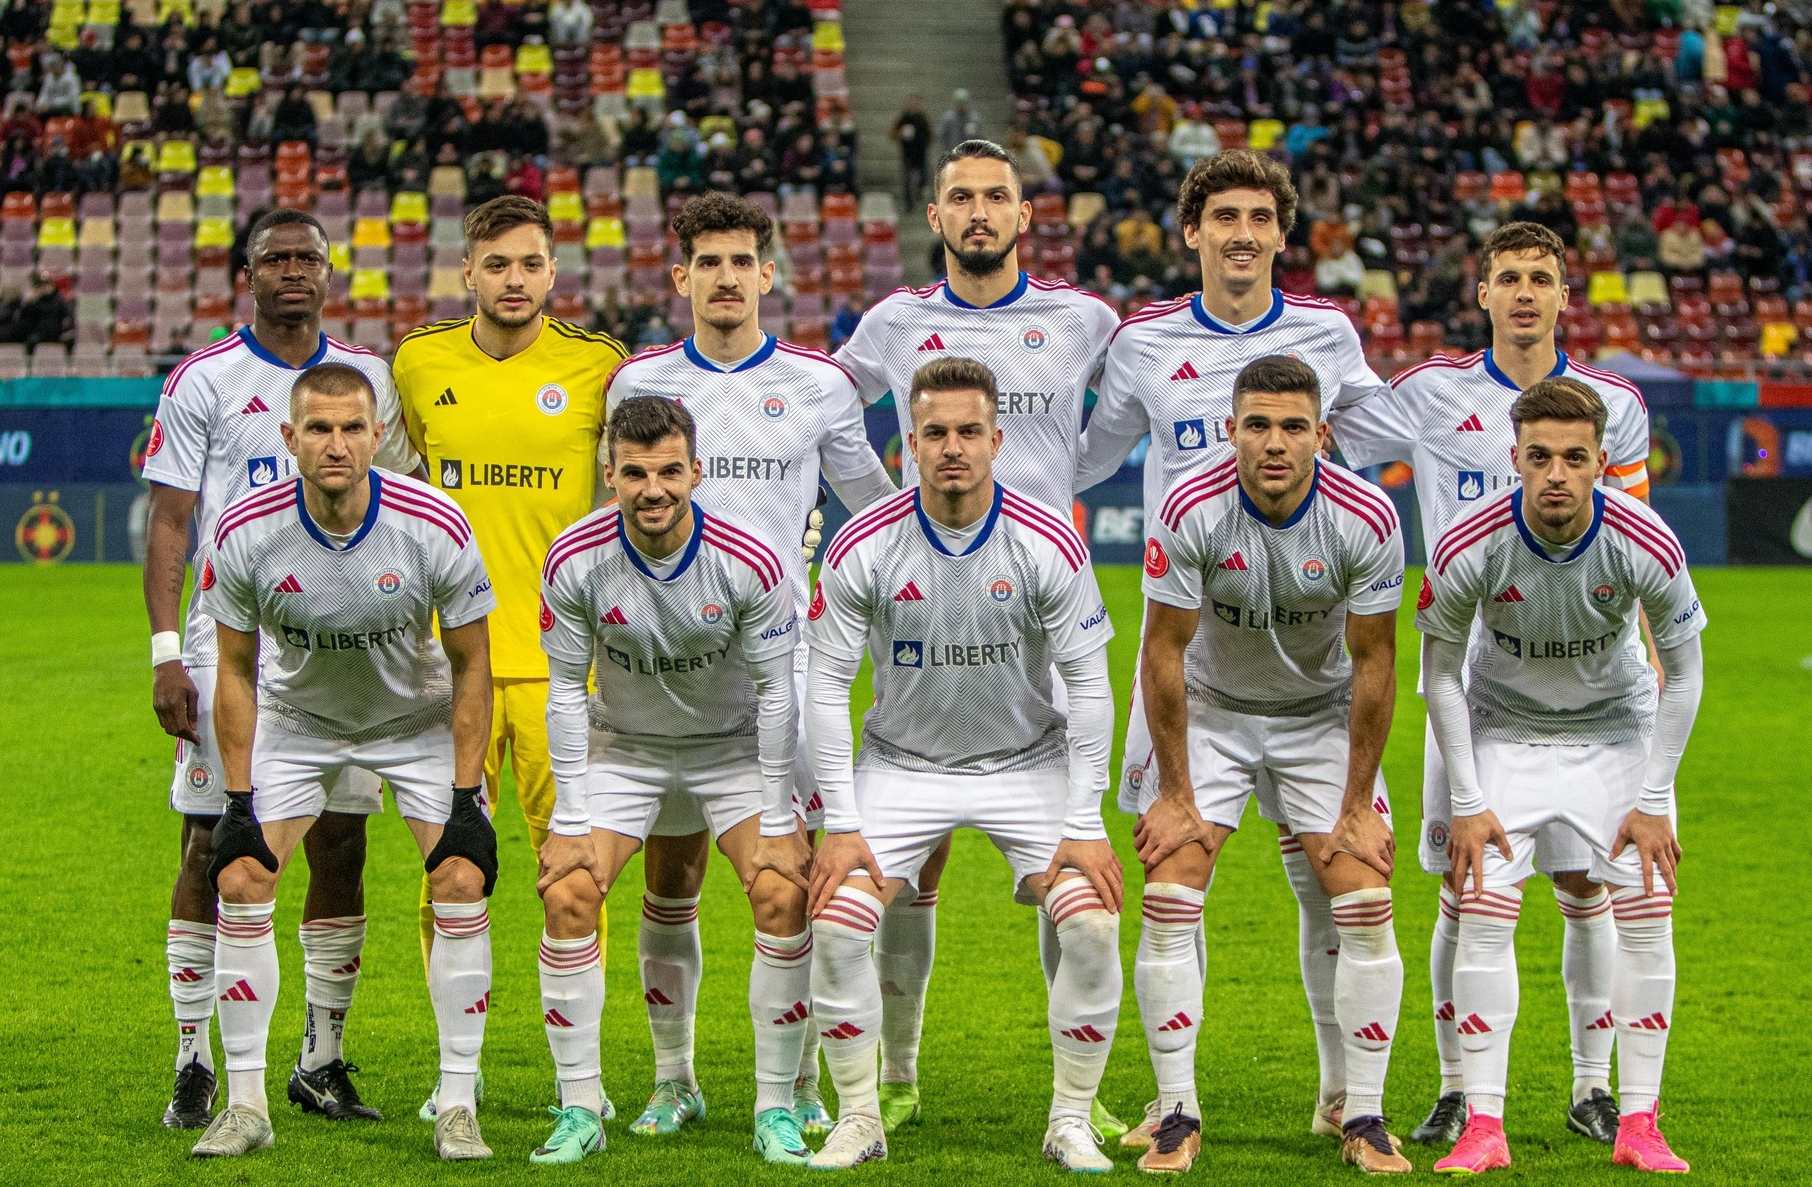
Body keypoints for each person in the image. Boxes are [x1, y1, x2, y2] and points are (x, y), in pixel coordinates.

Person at [1074, 149, 1394, 1146]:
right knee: (1174, 869)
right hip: (1195, 656)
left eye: (1260, 215)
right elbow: (1081, 459)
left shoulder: (1329, 336)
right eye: (1223, 216)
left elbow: (1386, 434)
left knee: (1329, 881)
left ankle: (1349, 1094)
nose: (1242, 232)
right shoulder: (1142, 343)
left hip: (1306, 656)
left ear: (1283, 233)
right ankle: (1176, 1103)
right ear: (1193, 232)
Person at [1332, 221, 1655, 1148]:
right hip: (1466, 671)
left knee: (1585, 885)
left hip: (1589, 676)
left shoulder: (1615, 404)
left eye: (1541, 278)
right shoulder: (1432, 392)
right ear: (1482, 293)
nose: (1524, 292)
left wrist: (1646, 645)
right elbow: (1332, 423)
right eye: (1508, 277)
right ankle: (1454, 1086)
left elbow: (1634, 532)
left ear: (1566, 295)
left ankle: (1593, 1085)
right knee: (1462, 890)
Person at [832, 137, 1122, 1136]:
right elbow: (832, 416)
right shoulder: (894, 322)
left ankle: (1079, 1095)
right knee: (917, 855)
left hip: (1041, 590)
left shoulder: (1084, 319)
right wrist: (887, 514)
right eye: (962, 197)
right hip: (924, 587)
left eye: (997, 194)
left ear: (1023, 213)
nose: (980, 210)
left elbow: (1122, 425)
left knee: (1068, 871)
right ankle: (895, 1076)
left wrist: (1059, 505)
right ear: (937, 216)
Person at [606, 191, 896, 1140]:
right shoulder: (639, 386)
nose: (728, 277)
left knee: (792, 876)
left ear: (768, 275)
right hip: (666, 671)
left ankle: (798, 1082)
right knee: (672, 874)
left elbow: (877, 506)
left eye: (744, 261)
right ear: (680, 277)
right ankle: (673, 1078)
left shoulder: (818, 385)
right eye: (709, 262)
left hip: (788, 671)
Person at [803, 357, 1122, 1172]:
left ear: (997, 439)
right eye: (935, 432)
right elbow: (826, 683)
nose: (953, 447)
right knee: (836, 923)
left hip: (1029, 760)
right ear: (908, 444)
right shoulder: (864, 544)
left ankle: (1072, 1118)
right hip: (902, 763)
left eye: (969, 431)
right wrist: (840, 822)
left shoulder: (1048, 541)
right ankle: (860, 1115)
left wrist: (1084, 822)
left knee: (1090, 919)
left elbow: (1090, 684)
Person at [142, 209, 420, 1133]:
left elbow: (406, 503)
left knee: (343, 840)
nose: (293, 271)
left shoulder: (368, 379)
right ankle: (193, 1058)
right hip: (233, 644)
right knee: (213, 844)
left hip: (345, 647)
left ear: (330, 274)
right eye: (276, 258)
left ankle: (321, 1057)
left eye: (308, 257)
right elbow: (172, 521)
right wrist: (165, 651)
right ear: (248, 274)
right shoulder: (205, 380)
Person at [188, 362, 499, 1161]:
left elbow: (473, 665)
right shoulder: (245, 529)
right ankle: (249, 1101)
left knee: (461, 876)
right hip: (301, 719)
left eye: (353, 427)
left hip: (414, 718)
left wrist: (467, 795)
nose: (337, 443)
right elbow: (231, 667)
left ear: (378, 436)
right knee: (241, 877)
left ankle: (457, 1103)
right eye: (318, 429)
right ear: (289, 438)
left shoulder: (435, 522)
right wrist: (237, 797)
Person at [1419, 378, 1704, 1175]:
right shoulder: (1468, 541)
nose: (1555, 473)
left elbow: (1684, 674)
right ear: (1513, 458)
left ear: (1601, 462)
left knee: (1647, 909)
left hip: (1616, 730)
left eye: (1574, 458)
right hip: (1506, 727)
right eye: (1538, 456)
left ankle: (1639, 1120)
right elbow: (1440, 674)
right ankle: (1484, 1123)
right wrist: (1468, 800)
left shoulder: (1646, 540)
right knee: (1483, 908)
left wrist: (1653, 800)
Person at [1133, 356, 1410, 1174]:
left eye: (1293, 425)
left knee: (1362, 891)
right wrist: (1177, 793)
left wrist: (1358, 802)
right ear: (1231, 430)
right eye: (1257, 424)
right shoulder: (1190, 507)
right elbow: (1164, 653)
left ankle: (1358, 1109)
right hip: (1213, 712)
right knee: (1169, 884)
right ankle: (1176, 1109)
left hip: (1318, 715)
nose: (1275, 442)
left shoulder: (1367, 516)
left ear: (1322, 433)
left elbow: (1375, 664)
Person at [530, 396, 816, 1166]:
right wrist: (569, 817)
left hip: (731, 748)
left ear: (696, 471)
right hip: (626, 747)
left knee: (783, 892)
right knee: (568, 892)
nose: (651, 489)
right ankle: (583, 1103)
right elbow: (562, 690)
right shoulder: (574, 558)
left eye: (667, 472)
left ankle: (777, 1104)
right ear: (609, 474)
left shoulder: (749, 559)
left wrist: (784, 818)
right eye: (633, 473)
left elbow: (777, 692)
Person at [393, 195, 630, 1119]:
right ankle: (462, 1069)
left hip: (567, 667)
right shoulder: (419, 363)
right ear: (468, 273)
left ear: (553, 274)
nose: (515, 280)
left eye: (531, 264)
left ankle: (582, 1074)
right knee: (447, 868)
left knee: (574, 868)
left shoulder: (598, 366)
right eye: (498, 264)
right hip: (443, 668)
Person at [891, 94, 931, 206]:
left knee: (922, 177)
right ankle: (908, 202)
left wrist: (925, 141)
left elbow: (930, 135)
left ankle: (918, 194)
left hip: (921, 152)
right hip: (907, 152)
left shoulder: (923, 119)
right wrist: (901, 134)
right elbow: (893, 134)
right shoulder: (903, 119)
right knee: (907, 178)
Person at [936, 88, 982, 156]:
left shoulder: (974, 118)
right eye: (959, 103)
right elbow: (942, 135)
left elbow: (981, 135)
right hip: (953, 150)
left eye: (963, 103)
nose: (961, 105)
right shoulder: (948, 118)